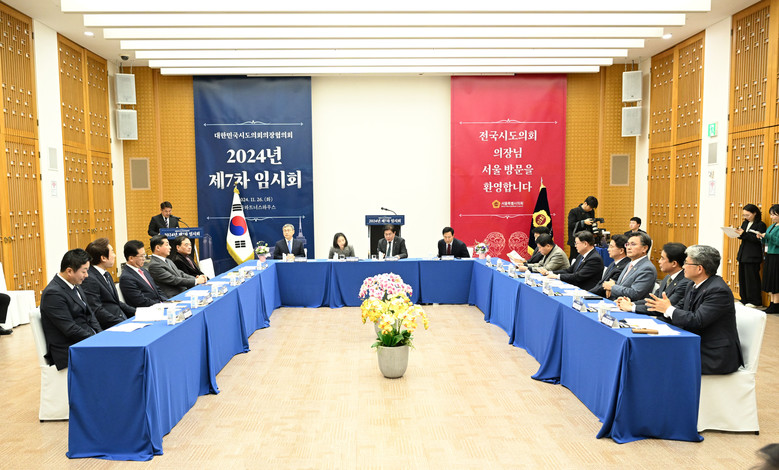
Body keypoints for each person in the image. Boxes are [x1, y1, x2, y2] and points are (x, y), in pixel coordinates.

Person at [645, 245, 743, 375]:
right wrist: (654, 320)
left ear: (699, 268)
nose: (683, 267)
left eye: (686, 263)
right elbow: (679, 309)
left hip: (714, 355)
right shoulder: (692, 284)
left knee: (661, 359)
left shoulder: (718, 291)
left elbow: (697, 320)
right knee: (653, 351)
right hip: (695, 343)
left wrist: (668, 309)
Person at [39, 249, 102, 370]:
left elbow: (90, 315)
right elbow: (70, 329)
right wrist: (96, 340)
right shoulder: (53, 293)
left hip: (84, 341)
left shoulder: (75, 285)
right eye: (84, 271)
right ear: (69, 271)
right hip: (69, 349)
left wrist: (100, 335)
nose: (87, 275)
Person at [617, 242, 691, 315]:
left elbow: (663, 307)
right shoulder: (667, 278)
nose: (659, 261)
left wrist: (632, 308)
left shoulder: (684, 282)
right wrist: (631, 303)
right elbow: (653, 300)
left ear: (674, 263)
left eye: (662, 258)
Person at [82, 238, 136, 329]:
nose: (115, 255)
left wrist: (137, 312)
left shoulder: (106, 274)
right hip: (110, 325)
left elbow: (115, 302)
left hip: (120, 318)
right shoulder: (90, 279)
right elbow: (96, 310)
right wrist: (121, 323)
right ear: (103, 258)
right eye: (112, 252)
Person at [600, 232, 657, 300]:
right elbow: (622, 285)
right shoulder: (630, 263)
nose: (628, 247)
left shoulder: (647, 268)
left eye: (633, 244)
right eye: (627, 244)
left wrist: (612, 287)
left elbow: (635, 293)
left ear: (644, 248)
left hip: (631, 305)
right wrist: (612, 284)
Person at [119, 240, 168, 307]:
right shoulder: (126, 278)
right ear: (131, 258)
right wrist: (160, 305)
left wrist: (166, 302)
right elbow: (140, 301)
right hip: (148, 309)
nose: (144, 259)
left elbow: (157, 289)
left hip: (160, 305)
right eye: (141, 256)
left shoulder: (143, 270)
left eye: (144, 255)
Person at [736, 204, 766, 307]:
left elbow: (757, 240)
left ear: (755, 213)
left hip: (753, 255)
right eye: (744, 215)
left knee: (752, 279)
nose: (746, 217)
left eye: (748, 215)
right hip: (743, 254)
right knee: (742, 278)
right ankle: (744, 299)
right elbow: (744, 237)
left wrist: (743, 234)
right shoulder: (745, 223)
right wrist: (738, 233)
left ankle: (755, 301)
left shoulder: (760, 225)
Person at [758, 204, 779, 313]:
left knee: (776, 280)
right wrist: (761, 237)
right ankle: (772, 303)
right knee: (770, 280)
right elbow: (767, 240)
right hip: (770, 255)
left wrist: (768, 236)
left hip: (777, 256)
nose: (772, 217)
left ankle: (776, 304)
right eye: (771, 215)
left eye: (774, 215)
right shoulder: (772, 226)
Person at [567, 196, 598, 260]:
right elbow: (571, 225)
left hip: (587, 239)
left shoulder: (591, 212)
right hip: (576, 239)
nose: (591, 209)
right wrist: (583, 222)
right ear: (585, 203)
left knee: (587, 257)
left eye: (592, 208)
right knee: (574, 258)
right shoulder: (574, 211)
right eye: (590, 207)